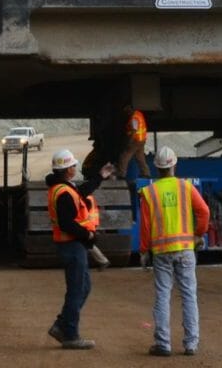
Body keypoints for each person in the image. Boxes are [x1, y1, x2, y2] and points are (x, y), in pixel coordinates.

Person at [137, 146, 210, 357]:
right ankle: (191, 344)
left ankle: (163, 344)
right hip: (186, 250)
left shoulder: (149, 192)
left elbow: (145, 226)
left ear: (156, 168)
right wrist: (198, 235)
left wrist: (144, 251)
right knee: (188, 295)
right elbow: (204, 211)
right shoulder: (186, 187)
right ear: (174, 165)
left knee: (162, 295)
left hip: (161, 253)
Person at [47, 148, 113, 350]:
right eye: (73, 165)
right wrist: (88, 234)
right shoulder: (64, 192)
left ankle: (62, 326)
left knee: (82, 287)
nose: (75, 167)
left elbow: (82, 192)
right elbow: (67, 223)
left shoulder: (64, 188)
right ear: (67, 170)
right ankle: (70, 334)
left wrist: (100, 177)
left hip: (72, 245)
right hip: (72, 245)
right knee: (77, 290)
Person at [121, 103, 151, 179]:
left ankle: (121, 174)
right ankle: (146, 173)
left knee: (125, 156)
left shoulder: (134, 118)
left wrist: (129, 142)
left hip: (136, 140)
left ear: (130, 110)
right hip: (142, 139)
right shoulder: (138, 114)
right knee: (140, 157)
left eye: (126, 111)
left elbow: (134, 131)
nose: (126, 113)